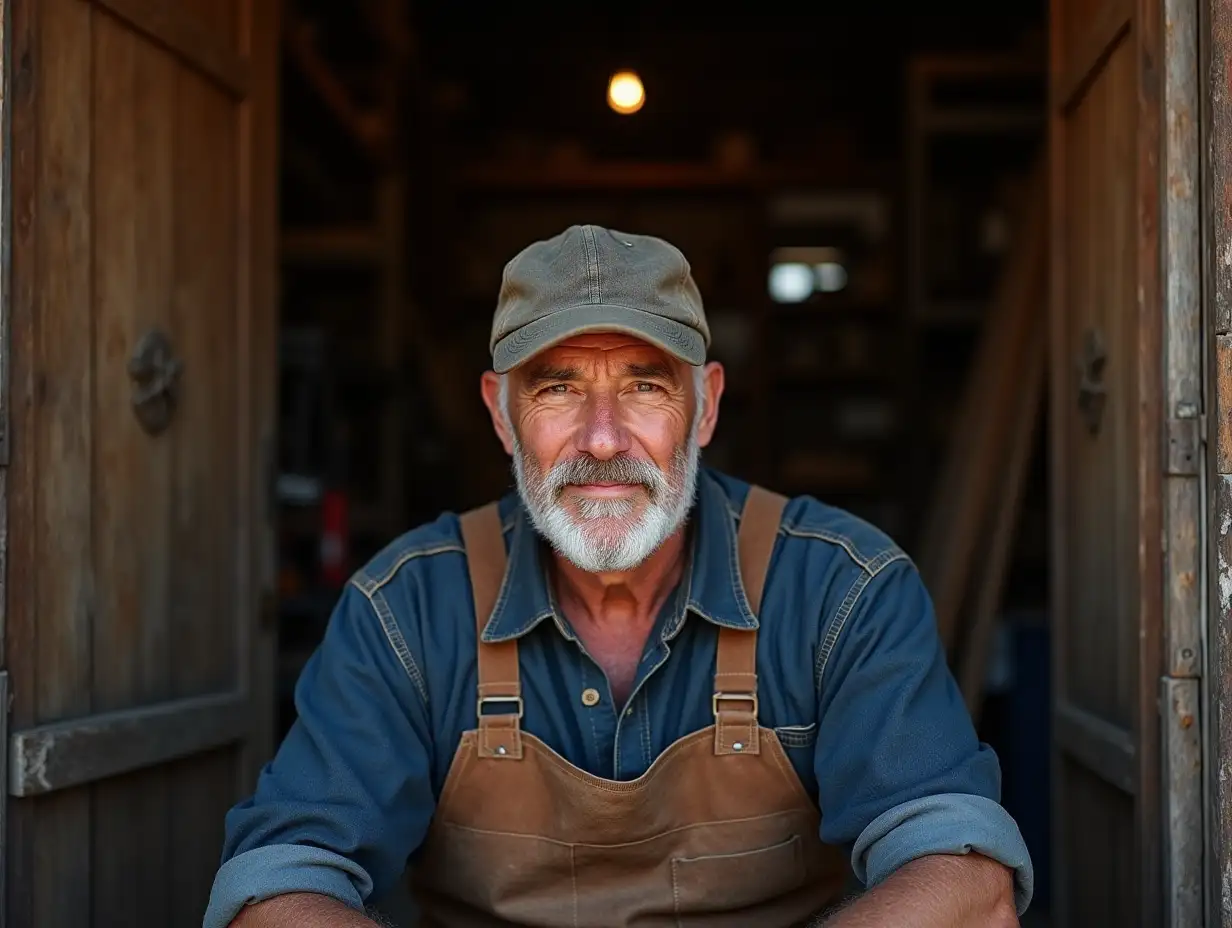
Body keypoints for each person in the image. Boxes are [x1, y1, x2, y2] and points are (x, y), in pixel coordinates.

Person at [205, 225, 1032, 928]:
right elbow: (277, 884)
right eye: (559, 388)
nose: (603, 439)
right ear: (500, 413)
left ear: (705, 407)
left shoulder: (841, 591)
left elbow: (967, 880)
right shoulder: (407, 611)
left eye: (644, 385)